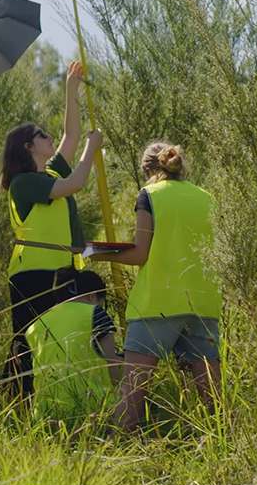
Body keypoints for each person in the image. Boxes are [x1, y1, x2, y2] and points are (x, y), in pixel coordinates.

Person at [90, 142, 222, 431]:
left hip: (157, 304)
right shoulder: (205, 197)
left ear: (148, 171)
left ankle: (119, 453)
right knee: (213, 402)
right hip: (203, 302)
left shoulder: (149, 194)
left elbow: (140, 254)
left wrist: (93, 252)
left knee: (132, 392)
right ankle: (226, 451)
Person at [0, 60, 103, 396]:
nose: (49, 138)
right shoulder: (23, 184)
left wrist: (72, 88)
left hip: (62, 271)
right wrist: (92, 148)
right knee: (30, 343)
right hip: (33, 273)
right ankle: (19, 404)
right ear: (28, 148)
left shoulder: (51, 172)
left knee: (63, 341)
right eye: (41, 135)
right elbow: (76, 183)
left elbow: (71, 134)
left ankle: (62, 400)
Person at [25, 268, 122, 422]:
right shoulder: (95, 313)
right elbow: (113, 366)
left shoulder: (35, 326)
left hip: (45, 416)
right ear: (92, 296)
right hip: (94, 410)